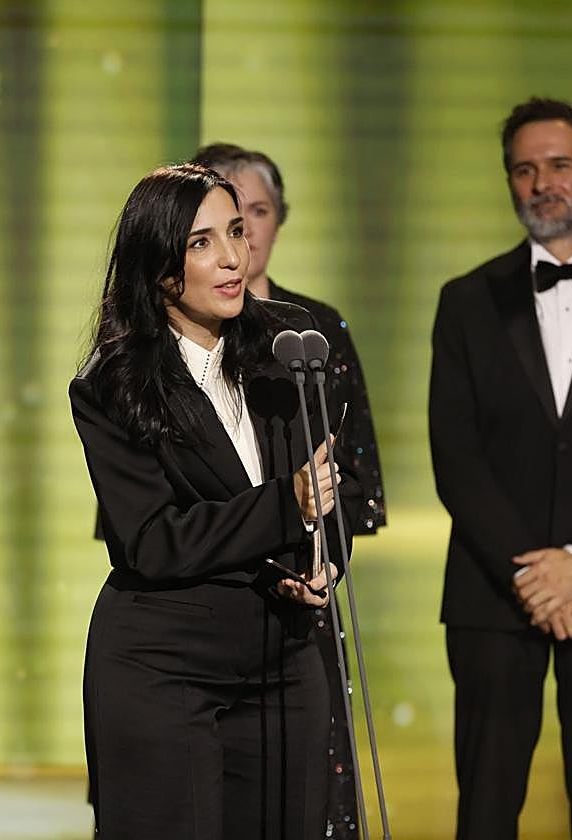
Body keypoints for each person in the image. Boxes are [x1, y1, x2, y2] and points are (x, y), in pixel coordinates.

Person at [71, 162, 360, 838]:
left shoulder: (291, 347)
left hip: (283, 662)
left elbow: (330, 486)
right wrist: (286, 508)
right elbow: (153, 540)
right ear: (159, 266)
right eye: (202, 243)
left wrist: (322, 563)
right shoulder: (113, 384)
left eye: (236, 231)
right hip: (163, 666)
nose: (233, 257)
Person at [429, 97, 572, 839]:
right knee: (485, 811)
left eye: (559, 165)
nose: (542, 183)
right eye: (524, 170)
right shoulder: (465, 301)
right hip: (493, 593)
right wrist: (533, 575)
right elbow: (455, 454)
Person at [191, 142, 385, 838]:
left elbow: (352, 477)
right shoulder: (161, 348)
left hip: (304, 616)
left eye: (257, 213)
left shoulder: (316, 332)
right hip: (199, 617)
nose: (241, 236)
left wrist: (321, 563)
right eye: (221, 221)